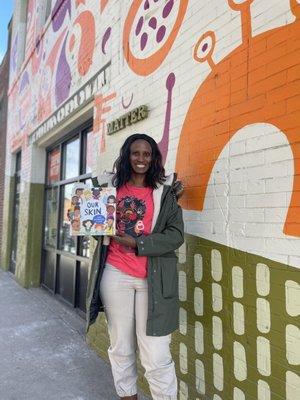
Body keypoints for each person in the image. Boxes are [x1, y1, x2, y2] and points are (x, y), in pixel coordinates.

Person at [86, 133, 184, 400]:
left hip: (153, 280)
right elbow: (96, 229)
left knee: (156, 353)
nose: (141, 159)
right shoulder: (109, 188)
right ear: (127, 156)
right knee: (121, 347)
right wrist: (89, 220)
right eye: (135, 153)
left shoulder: (164, 193)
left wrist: (140, 243)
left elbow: (176, 235)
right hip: (115, 273)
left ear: (153, 159)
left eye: (147, 154)